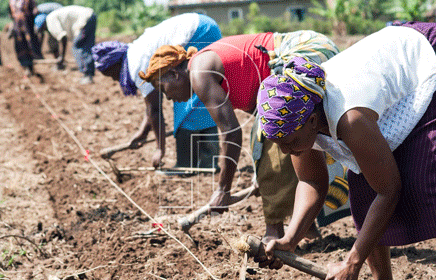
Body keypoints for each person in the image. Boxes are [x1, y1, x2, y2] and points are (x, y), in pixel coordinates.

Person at [253, 21, 436, 280]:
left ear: (314, 121)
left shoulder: (349, 118)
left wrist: (352, 261)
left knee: (429, 187)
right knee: (363, 186)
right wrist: (289, 239)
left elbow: (389, 190)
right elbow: (311, 182)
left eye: (289, 142)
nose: (286, 152)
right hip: (395, 70)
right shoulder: (302, 116)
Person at [139, 30, 345, 241]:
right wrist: (260, 177)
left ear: (175, 74)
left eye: (163, 88)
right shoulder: (206, 71)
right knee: (287, 142)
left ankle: (273, 231)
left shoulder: (199, 73)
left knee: (269, 139)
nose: (168, 98)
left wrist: (222, 190)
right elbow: (257, 116)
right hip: (314, 47)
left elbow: (232, 133)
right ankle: (307, 230)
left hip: (304, 52)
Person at [91, 13, 221, 170]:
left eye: (111, 75)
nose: (114, 79)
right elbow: (152, 106)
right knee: (201, 97)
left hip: (197, 33)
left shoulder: (136, 65)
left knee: (186, 98)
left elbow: (154, 109)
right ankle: (208, 163)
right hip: (207, 26)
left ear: (114, 65)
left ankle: (187, 164)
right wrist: (143, 132)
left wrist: (160, 149)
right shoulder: (135, 52)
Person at [45, 5, 97, 84]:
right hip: (90, 15)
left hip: (85, 19)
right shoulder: (52, 17)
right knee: (87, 46)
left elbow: (63, 38)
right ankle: (89, 73)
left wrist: (62, 57)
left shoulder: (50, 21)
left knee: (78, 46)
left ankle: (87, 75)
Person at [7, 0, 42, 76]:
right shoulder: (11, 1)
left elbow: (35, 8)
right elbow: (11, 16)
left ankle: (31, 67)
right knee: (20, 48)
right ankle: (26, 68)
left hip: (28, 28)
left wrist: (35, 12)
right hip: (18, 31)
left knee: (30, 46)